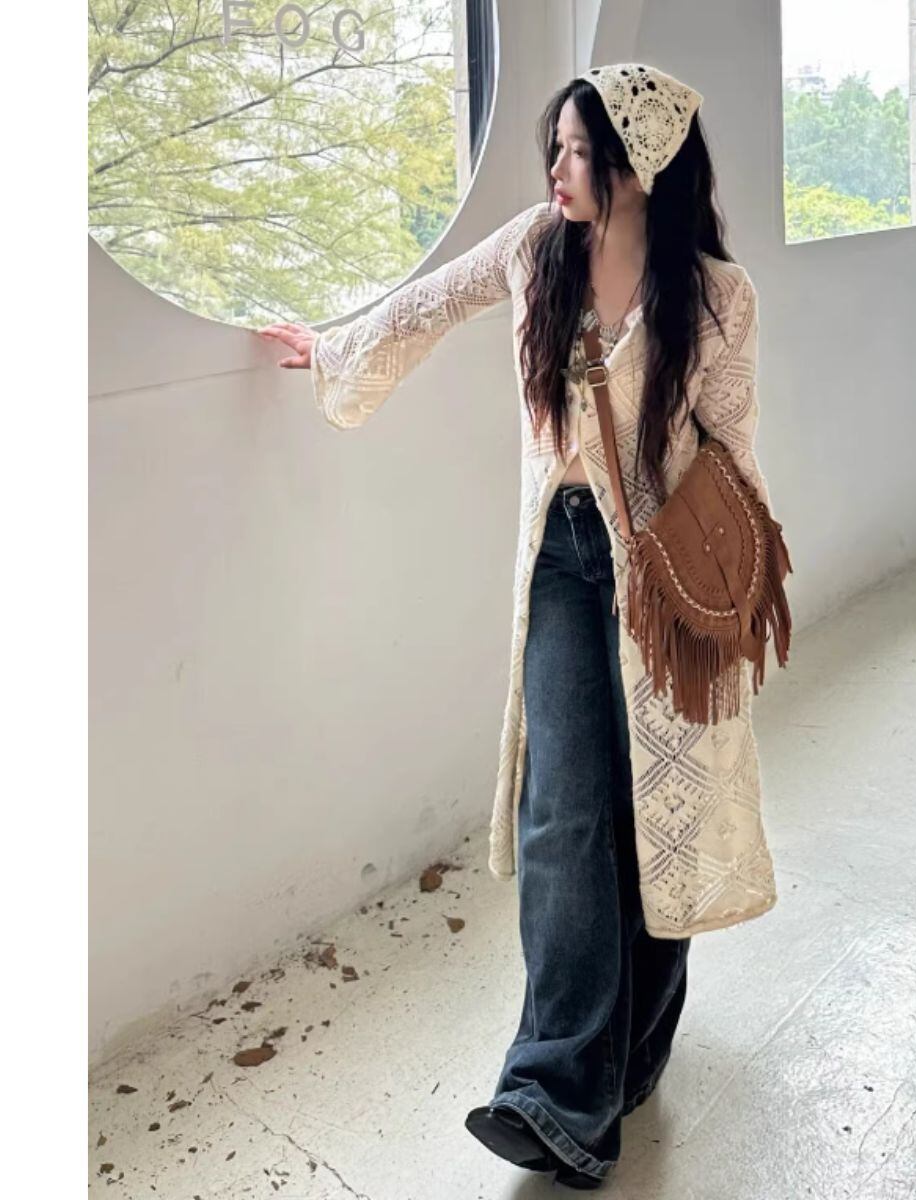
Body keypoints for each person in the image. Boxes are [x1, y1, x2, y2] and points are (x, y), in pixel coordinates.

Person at [258, 61, 780, 1190]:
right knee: (564, 813)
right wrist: (331, 353)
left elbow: (734, 450)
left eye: (579, 151)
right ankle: (554, 1089)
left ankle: (634, 1046)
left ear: (639, 165)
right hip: (561, 559)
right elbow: (429, 303)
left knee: (655, 808)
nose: (557, 168)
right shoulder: (537, 250)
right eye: (556, 146)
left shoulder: (715, 295)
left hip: (664, 579)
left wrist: (732, 600)